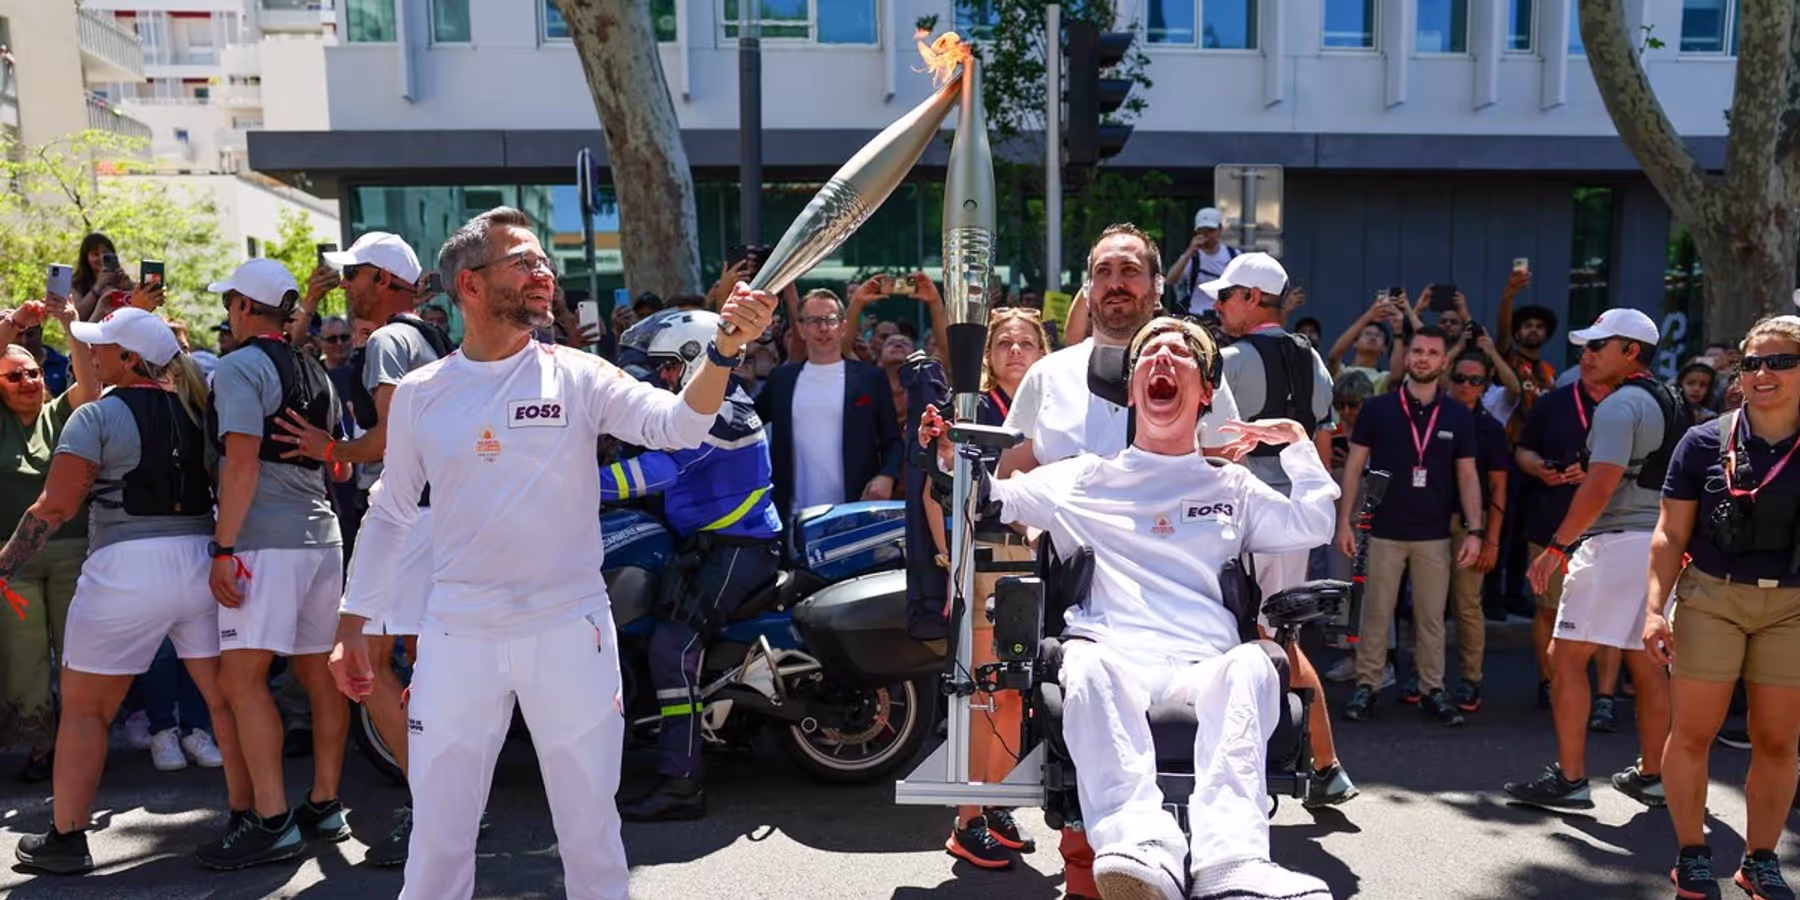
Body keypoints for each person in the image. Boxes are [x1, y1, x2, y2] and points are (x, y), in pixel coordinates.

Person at [325, 206, 776, 900]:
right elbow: (389, 513)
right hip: (457, 636)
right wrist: (353, 625)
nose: (545, 275)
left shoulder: (579, 374)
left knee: (591, 835)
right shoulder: (421, 394)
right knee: (440, 838)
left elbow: (680, 428)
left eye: (543, 261)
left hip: (570, 629)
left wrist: (720, 354)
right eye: (525, 262)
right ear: (469, 286)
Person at [922, 316, 1335, 900]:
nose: (1162, 360)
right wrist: (949, 459)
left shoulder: (1230, 486)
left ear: (1205, 391)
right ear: (1133, 385)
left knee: (1254, 663)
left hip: (1206, 664)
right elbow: (994, 498)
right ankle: (1140, 846)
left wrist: (1295, 441)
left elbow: (1312, 523)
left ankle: (1232, 862)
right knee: (1084, 664)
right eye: (1150, 354)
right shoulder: (1083, 478)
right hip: (1114, 656)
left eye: (1180, 354)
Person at [996, 223, 1241, 899]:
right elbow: (1012, 479)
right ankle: (1091, 877)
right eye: (1103, 271)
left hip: (1185, 606)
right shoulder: (1049, 377)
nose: (1115, 284)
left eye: (1130, 271)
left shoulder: (1199, 373)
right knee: (1079, 765)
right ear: (1089, 286)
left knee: (1183, 772)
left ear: (1158, 286)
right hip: (1082, 604)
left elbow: (1231, 474)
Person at [4, 309, 247, 875]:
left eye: (102, 347)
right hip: (200, 563)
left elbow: (56, 505)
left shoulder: (96, 416)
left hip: (122, 570)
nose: (91, 354)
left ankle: (66, 838)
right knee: (225, 700)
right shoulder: (198, 410)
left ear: (130, 359)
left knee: (87, 711)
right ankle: (251, 818)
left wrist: (5, 563)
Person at [271, 230, 447, 866]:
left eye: (354, 275)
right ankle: (447, 806)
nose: (346, 284)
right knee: (427, 677)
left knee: (361, 670)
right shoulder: (429, 336)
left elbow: (397, 433)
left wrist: (333, 450)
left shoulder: (389, 342)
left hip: (409, 521)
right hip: (437, 520)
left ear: (383, 280)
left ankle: (437, 807)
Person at [196, 258, 354, 870]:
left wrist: (223, 549)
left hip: (264, 542)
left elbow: (240, 464)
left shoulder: (238, 367)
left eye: (229, 301)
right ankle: (324, 802)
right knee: (320, 677)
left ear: (240, 306)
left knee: (241, 680)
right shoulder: (317, 370)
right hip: (322, 539)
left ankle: (269, 821)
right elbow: (339, 464)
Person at [1644, 315, 1800, 900]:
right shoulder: (1704, 440)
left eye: (1781, 361)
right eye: (1752, 362)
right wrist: (1654, 610)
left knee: (1779, 742)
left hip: (1792, 606)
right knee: (1694, 732)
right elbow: (1668, 535)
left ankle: (1759, 860)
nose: (1763, 373)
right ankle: (1692, 855)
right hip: (1712, 595)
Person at [608, 308, 783, 823]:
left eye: (664, 367)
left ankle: (681, 781)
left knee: (673, 645)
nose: (658, 377)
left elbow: (658, 468)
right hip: (709, 543)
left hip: (738, 548)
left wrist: (572, 482)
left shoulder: (720, 413)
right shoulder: (705, 405)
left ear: (693, 360)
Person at [1509, 308, 1687, 811]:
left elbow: (1602, 485)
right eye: (1586, 346)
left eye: (1597, 346)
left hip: (1614, 546)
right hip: (1660, 544)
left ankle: (1570, 779)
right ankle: (1653, 775)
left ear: (1631, 353)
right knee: (1647, 666)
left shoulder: (1617, 405)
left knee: (1565, 659)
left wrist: (1557, 547)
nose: (1584, 355)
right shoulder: (1670, 399)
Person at [1206, 252, 1358, 805]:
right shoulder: (1314, 360)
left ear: (1250, 298)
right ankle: (1324, 765)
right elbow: (1318, 446)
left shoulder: (1228, 361)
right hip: (1295, 517)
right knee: (1282, 639)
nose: (1218, 306)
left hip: (1245, 517)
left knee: (1250, 645)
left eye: (1224, 296)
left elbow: (1212, 446)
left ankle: (1265, 772)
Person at [912, 305, 1051, 869]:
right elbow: (931, 490)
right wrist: (950, 558)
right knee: (980, 691)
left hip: (1041, 565)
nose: (1016, 352)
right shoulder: (971, 410)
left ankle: (996, 802)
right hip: (987, 561)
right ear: (988, 358)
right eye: (1004, 345)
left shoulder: (1055, 409)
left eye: (1026, 344)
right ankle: (966, 819)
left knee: (1017, 690)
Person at [1336, 325, 1484, 725]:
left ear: (1443, 361)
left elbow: (1468, 475)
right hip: (1383, 529)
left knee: (1432, 619)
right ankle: (1367, 686)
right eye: (1416, 350)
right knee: (1376, 615)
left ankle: (1432, 689)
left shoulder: (1457, 414)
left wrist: (1476, 529)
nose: (1422, 358)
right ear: (1405, 357)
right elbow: (1354, 466)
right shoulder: (1378, 408)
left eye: (1432, 352)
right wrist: (1344, 523)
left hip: (1434, 533)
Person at [0, 298, 98, 784]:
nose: (28, 383)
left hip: (71, 552)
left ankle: (83, 739)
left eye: (34, 373)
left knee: (75, 651)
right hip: (11, 561)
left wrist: (71, 324)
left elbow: (93, 386)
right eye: (14, 377)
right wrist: (15, 325)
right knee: (26, 655)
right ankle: (42, 745)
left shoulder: (61, 413)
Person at [1514, 361, 1619, 714]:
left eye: (1599, 352)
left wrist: (1595, 469)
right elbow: (1523, 451)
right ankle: (1549, 682)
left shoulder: (1630, 403)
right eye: (1586, 355)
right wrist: (1539, 467)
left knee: (1609, 617)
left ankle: (1605, 697)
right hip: (1551, 521)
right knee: (1548, 609)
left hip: (1611, 524)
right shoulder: (1552, 403)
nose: (1591, 362)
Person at [755, 289, 903, 523]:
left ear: (843, 327)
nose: (823, 328)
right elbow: (746, 421)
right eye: (814, 321)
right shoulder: (781, 380)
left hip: (855, 512)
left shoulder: (871, 378)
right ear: (801, 329)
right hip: (792, 517)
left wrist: (887, 476)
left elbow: (893, 441)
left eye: (830, 320)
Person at [1444, 351, 1512, 711]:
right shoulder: (1436, 415)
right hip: (1429, 522)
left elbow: (1499, 488)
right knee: (1426, 608)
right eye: (1460, 378)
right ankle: (1429, 679)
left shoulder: (1491, 429)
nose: (1466, 386)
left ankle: (1471, 679)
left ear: (1486, 387)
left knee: (1467, 605)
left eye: (1475, 380)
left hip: (1473, 524)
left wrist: (1492, 539)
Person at [1168, 207, 1239, 314]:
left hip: (1224, 317)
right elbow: (1170, 280)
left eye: (1211, 230)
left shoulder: (1233, 255)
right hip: (1196, 315)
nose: (1207, 235)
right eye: (1203, 231)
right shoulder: (1192, 257)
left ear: (1220, 229)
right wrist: (1189, 252)